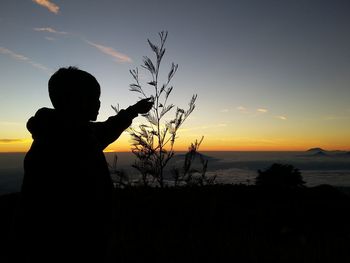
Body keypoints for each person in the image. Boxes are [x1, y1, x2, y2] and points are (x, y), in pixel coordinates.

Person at [17, 66, 153, 262]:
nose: (98, 103)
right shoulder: (57, 146)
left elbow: (108, 128)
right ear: (75, 101)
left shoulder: (78, 133)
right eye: (93, 98)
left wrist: (134, 110)